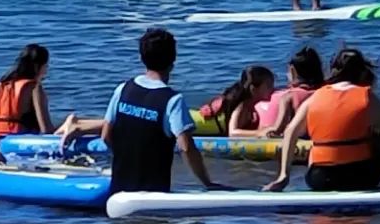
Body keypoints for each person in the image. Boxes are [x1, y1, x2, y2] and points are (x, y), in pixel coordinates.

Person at [264, 47, 380, 192]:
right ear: (362, 72)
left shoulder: (315, 98)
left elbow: (290, 133)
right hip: (360, 178)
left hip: (319, 179)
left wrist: (283, 176)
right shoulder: (368, 98)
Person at [102, 27, 217, 194]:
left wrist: (128, 162)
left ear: (142, 58)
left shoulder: (123, 89)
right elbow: (186, 148)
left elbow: (105, 136)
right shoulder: (172, 100)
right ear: (173, 61)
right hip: (153, 194)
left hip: (118, 190)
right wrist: (208, 183)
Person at [262, 46, 326, 136]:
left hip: (301, 141)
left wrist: (259, 131)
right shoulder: (328, 91)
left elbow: (277, 129)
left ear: (293, 71)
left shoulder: (289, 97)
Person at [198, 65, 277, 136]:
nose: (273, 88)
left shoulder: (249, 102)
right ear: (253, 89)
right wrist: (259, 132)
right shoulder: (243, 104)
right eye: (268, 85)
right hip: (199, 125)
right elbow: (232, 133)